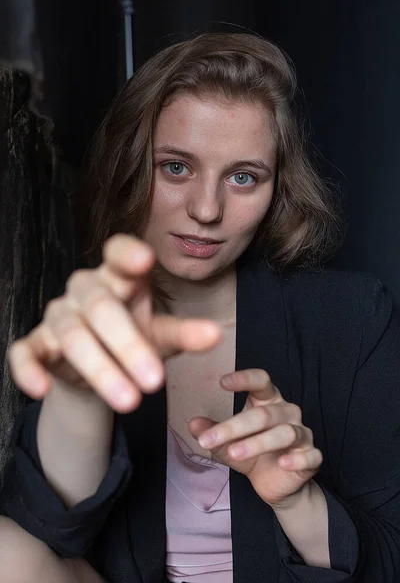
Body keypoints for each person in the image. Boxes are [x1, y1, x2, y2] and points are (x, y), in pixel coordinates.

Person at [0, 31, 399, 583]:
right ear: (131, 165)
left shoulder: (351, 317)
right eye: (176, 168)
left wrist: (297, 500)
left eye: (243, 177)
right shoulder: (90, 314)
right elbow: (49, 531)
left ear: (277, 189)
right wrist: (78, 392)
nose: (206, 210)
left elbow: (391, 555)